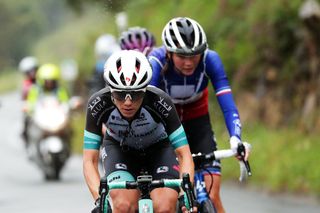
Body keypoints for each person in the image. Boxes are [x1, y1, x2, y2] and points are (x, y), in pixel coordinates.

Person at [148, 17, 250, 213]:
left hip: (198, 123)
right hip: (166, 126)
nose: (188, 62)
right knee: (168, 196)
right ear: (169, 52)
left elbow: (228, 105)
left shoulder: (210, 59)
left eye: (194, 55)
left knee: (212, 195)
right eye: (182, 56)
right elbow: (146, 107)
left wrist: (236, 139)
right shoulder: (156, 61)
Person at [83, 50, 195, 213]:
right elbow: (89, 161)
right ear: (111, 90)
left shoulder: (160, 100)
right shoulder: (98, 104)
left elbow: (184, 153)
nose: (128, 102)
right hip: (120, 150)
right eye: (121, 94)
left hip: (159, 149)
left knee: (164, 207)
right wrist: (100, 200)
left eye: (135, 95)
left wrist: (187, 192)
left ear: (144, 90)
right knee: (123, 205)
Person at [19, 56, 39, 145]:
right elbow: (23, 98)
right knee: (26, 118)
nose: (32, 73)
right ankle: (25, 134)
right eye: (30, 71)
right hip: (32, 108)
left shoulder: (42, 80)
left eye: (34, 70)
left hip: (43, 106)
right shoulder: (26, 84)